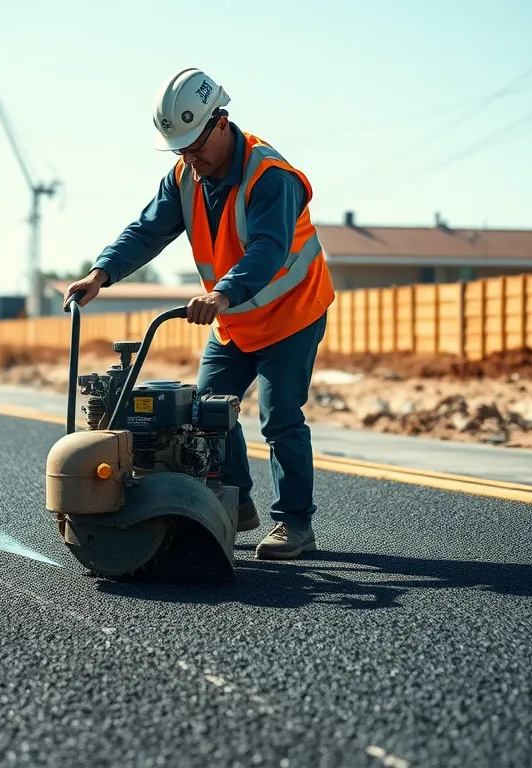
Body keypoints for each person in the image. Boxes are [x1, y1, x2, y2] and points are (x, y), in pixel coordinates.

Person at [62, 68, 335, 560]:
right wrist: (100, 274)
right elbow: (146, 231)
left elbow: (269, 250)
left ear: (221, 121)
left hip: (292, 315)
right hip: (235, 321)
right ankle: (238, 503)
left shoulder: (271, 178)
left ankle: (295, 524)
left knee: (279, 419)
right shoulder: (186, 177)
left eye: (195, 146)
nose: (191, 158)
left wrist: (223, 293)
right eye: (181, 150)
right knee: (207, 411)